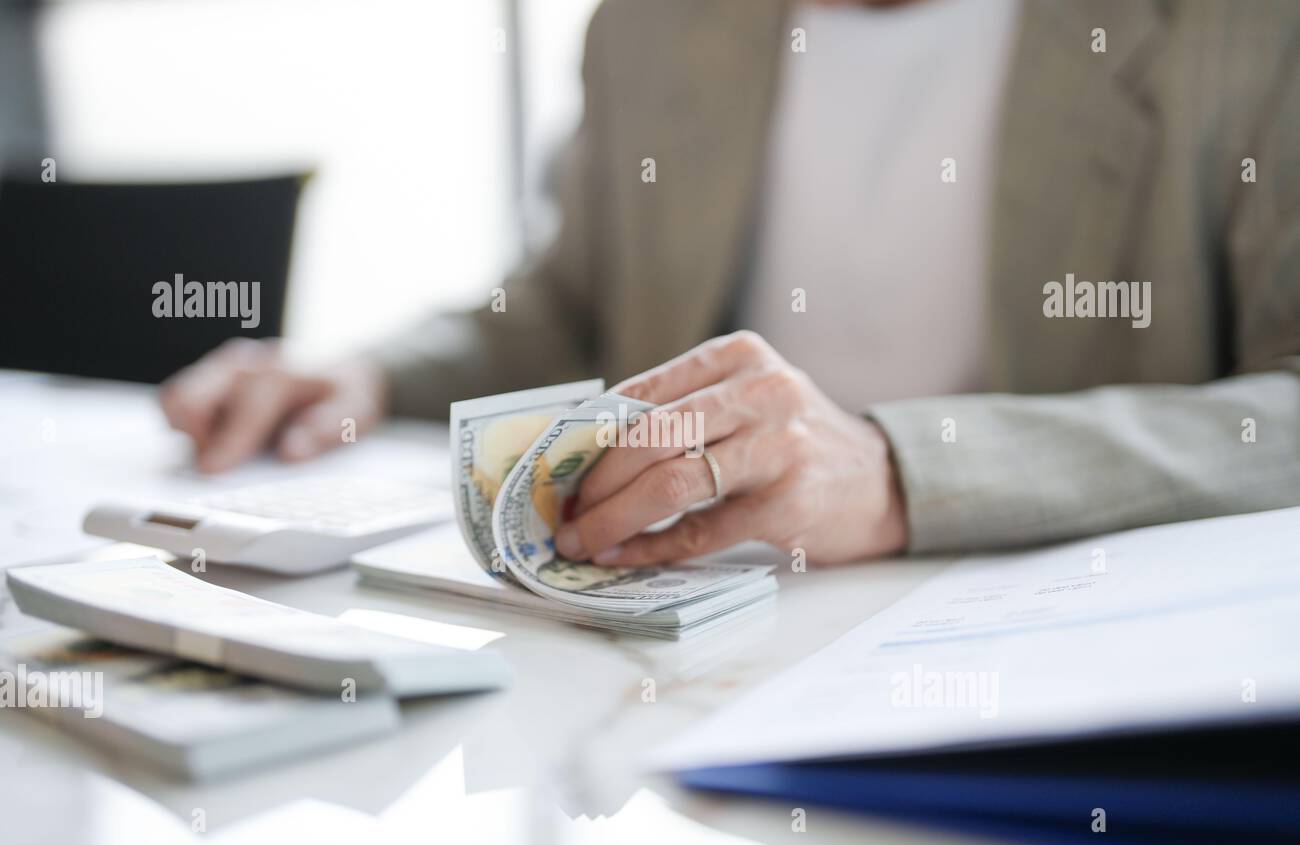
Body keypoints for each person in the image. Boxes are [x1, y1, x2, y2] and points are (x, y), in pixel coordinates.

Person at [160, 0, 1300, 567]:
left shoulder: (1243, 34)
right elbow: (567, 309)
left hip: (1045, 641)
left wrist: (904, 474)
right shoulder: (652, 27)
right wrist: (365, 371)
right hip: (686, 657)